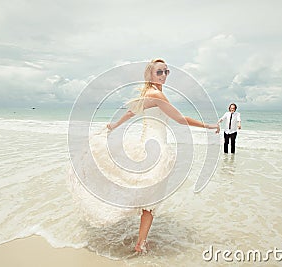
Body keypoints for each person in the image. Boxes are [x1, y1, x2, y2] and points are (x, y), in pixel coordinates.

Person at [70, 59, 220, 254]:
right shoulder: (157, 95)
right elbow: (180, 119)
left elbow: (131, 112)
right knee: (151, 200)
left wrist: (115, 125)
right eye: (159, 72)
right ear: (150, 74)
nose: (164, 75)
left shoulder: (148, 93)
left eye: (167, 72)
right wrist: (208, 126)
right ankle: (140, 243)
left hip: (148, 146)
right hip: (155, 151)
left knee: (145, 196)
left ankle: (140, 241)